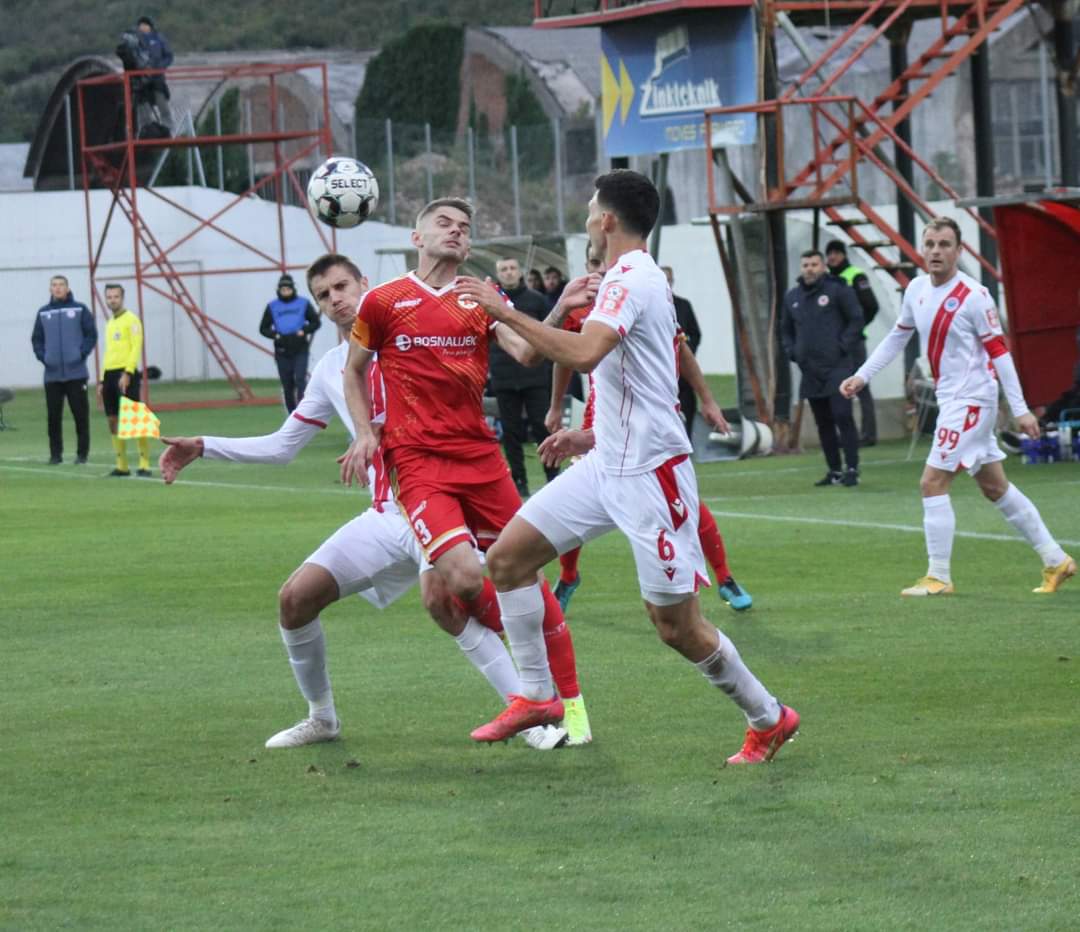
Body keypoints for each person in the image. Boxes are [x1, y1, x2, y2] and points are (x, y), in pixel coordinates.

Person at [159, 254, 567, 751]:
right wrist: (203, 445)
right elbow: (283, 445)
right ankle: (322, 718)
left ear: (366, 286)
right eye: (325, 295)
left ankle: (537, 720)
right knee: (294, 599)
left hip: (437, 499)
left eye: (342, 286)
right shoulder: (333, 367)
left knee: (445, 600)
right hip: (385, 515)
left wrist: (383, 429)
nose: (336, 300)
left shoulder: (414, 332)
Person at [460, 170, 798, 765]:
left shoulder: (631, 278)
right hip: (605, 466)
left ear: (608, 221)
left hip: (649, 478)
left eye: (592, 210)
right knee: (508, 560)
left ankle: (768, 717)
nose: (588, 221)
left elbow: (587, 351)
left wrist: (504, 312)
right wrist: (587, 434)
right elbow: (643, 384)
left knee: (677, 628)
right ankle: (538, 698)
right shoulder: (629, 279)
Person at [339, 199, 594, 745]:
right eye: (444, 224)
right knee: (463, 576)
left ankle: (568, 703)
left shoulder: (480, 295)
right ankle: (535, 690)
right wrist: (365, 433)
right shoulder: (383, 301)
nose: (456, 233)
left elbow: (527, 353)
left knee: (525, 572)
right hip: (418, 461)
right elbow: (353, 373)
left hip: (480, 456)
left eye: (464, 228)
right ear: (417, 235)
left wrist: (557, 308)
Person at [841, 217, 1075, 596]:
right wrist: (862, 375)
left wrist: (1020, 408)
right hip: (954, 400)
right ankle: (1055, 559)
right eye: (930, 243)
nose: (936, 251)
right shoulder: (916, 289)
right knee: (994, 486)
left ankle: (939, 576)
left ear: (958, 250)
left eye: (944, 244)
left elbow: (1000, 354)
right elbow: (896, 339)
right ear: (922, 248)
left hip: (972, 401)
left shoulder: (974, 296)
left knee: (932, 483)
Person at [546, 246, 753, 615]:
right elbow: (567, 354)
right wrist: (556, 405)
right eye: (592, 263)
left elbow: (681, 349)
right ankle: (569, 574)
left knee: (685, 501)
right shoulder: (583, 308)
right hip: (602, 420)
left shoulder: (637, 293)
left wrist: (707, 399)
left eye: (602, 262)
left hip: (650, 424)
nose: (598, 270)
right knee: (570, 504)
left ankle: (724, 576)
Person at [782, 249, 864, 487]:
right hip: (810, 369)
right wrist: (793, 352)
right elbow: (785, 330)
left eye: (814, 264)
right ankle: (834, 470)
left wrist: (842, 346)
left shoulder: (838, 289)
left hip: (837, 366)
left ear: (823, 267)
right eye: (805, 264)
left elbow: (856, 319)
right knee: (823, 422)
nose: (810, 269)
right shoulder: (793, 296)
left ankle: (852, 468)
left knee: (842, 416)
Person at [490, 256, 558, 498]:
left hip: (535, 376)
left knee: (543, 428)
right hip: (504, 378)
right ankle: (519, 481)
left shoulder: (537, 301)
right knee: (510, 432)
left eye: (512, 268)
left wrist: (547, 369)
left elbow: (550, 336)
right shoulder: (492, 303)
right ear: (498, 273)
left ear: (520, 271)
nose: (508, 272)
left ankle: (553, 477)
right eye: (503, 269)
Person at [31, 275, 97, 465]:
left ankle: (82, 454)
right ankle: (55, 455)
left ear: (67, 288)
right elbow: (36, 339)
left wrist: (80, 354)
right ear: (50, 289)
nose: (58, 288)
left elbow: (91, 334)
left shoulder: (80, 309)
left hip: (76, 374)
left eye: (61, 285)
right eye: (54, 285)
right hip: (52, 376)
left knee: (80, 416)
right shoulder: (43, 313)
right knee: (53, 418)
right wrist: (44, 357)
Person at [826, 240, 880, 446]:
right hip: (835, 342)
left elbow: (871, 306)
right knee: (839, 386)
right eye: (829, 253)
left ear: (843, 255)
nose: (832, 257)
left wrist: (855, 329)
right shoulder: (830, 279)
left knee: (862, 385)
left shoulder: (855, 275)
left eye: (835, 253)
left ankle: (868, 434)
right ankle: (848, 435)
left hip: (854, 341)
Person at [96, 284, 151, 477]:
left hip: (124, 374)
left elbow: (136, 347)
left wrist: (128, 372)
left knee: (134, 418)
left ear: (122, 298)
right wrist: (102, 380)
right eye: (109, 297)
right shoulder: (110, 322)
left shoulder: (132, 320)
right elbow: (108, 353)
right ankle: (122, 465)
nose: (112, 300)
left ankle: (144, 464)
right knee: (112, 420)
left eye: (115, 296)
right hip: (110, 375)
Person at [259, 273, 321, 412]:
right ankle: (292, 414)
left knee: (300, 379)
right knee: (287, 384)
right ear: (279, 290)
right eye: (283, 290)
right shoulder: (272, 306)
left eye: (288, 289)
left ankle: (304, 411)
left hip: (300, 347)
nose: (286, 292)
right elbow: (263, 328)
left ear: (293, 289)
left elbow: (315, 322)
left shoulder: (303, 303)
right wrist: (275, 335)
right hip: (282, 349)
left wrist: (304, 331)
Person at [661, 265, 703, 438]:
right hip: (661, 372)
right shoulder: (647, 306)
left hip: (682, 373)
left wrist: (686, 353)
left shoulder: (683, 306)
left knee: (687, 407)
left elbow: (695, 333)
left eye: (668, 280)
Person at [135, 15, 173, 129]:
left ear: (149, 26)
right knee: (143, 108)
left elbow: (169, 56)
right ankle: (145, 130)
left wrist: (159, 68)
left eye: (145, 25)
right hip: (142, 80)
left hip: (157, 79)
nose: (142, 27)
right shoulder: (136, 40)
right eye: (140, 25)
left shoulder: (159, 38)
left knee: (163, 106)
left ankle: (168, 129)